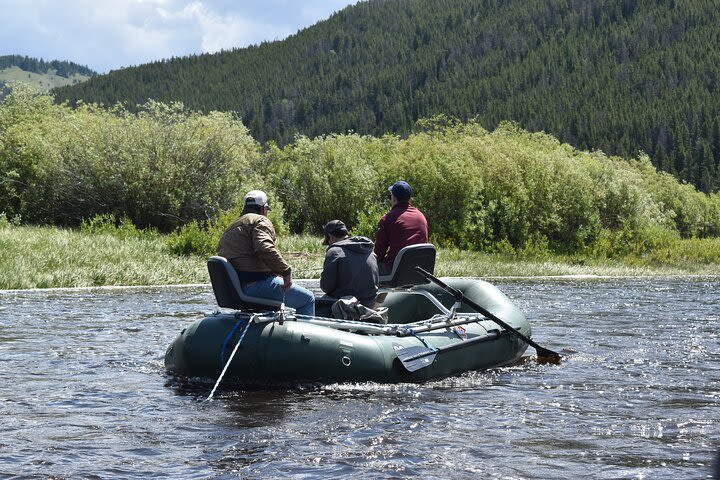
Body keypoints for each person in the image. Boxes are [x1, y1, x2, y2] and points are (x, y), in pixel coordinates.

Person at [217, 189, 315, 316]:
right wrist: (285, 271)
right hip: (255, 286)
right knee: (307, 299)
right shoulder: (260, 220)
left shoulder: (231, 227)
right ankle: (305, 335)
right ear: (263, 208)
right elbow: (264, 248)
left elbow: (246, 257)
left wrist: (274, 272)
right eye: (266, 209)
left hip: (236, 290)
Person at [320, 220, 379, 308]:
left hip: (346, 307)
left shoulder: (334, 252)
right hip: (370, 304)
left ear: (330, 237)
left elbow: (326, 287)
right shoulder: (370, 251)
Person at [373, 180, 429, 274]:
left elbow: (379, 253)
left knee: (366, 267)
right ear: (409, 199)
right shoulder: (421, 216)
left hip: (395, 272)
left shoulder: (387, 219)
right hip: (419, 272)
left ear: (394, 198)